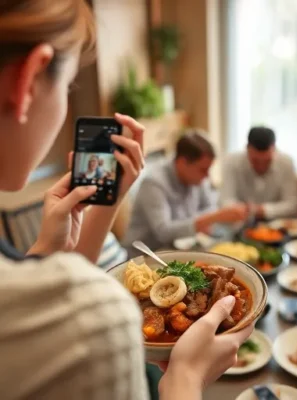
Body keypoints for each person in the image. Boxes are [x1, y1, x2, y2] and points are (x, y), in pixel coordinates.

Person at [0, 2, 252, 400]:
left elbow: (41, 303)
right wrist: (186, 379)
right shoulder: (103, 317)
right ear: (29, 80)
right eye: (68, 87)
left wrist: (51, 249)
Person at [125, 129, 249, 252]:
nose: (207, 176)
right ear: (182, 162)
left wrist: (212, 218)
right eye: (203, 169)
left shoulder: (198, 177)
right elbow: (163, 232)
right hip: (146, 255)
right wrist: (212, 218)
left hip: (180, 249)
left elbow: (209, 206)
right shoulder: (153, 183)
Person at [220, 126, 297, 219]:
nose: (261, 166)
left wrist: (263, 210)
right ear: (247, 149)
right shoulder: (231, 162)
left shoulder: (286, 163)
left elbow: (292, 204)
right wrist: (243, 209)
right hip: (240, 223)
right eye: (255, 161)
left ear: (274, 150)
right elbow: (225, 200)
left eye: (267, 161)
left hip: (277, 225)